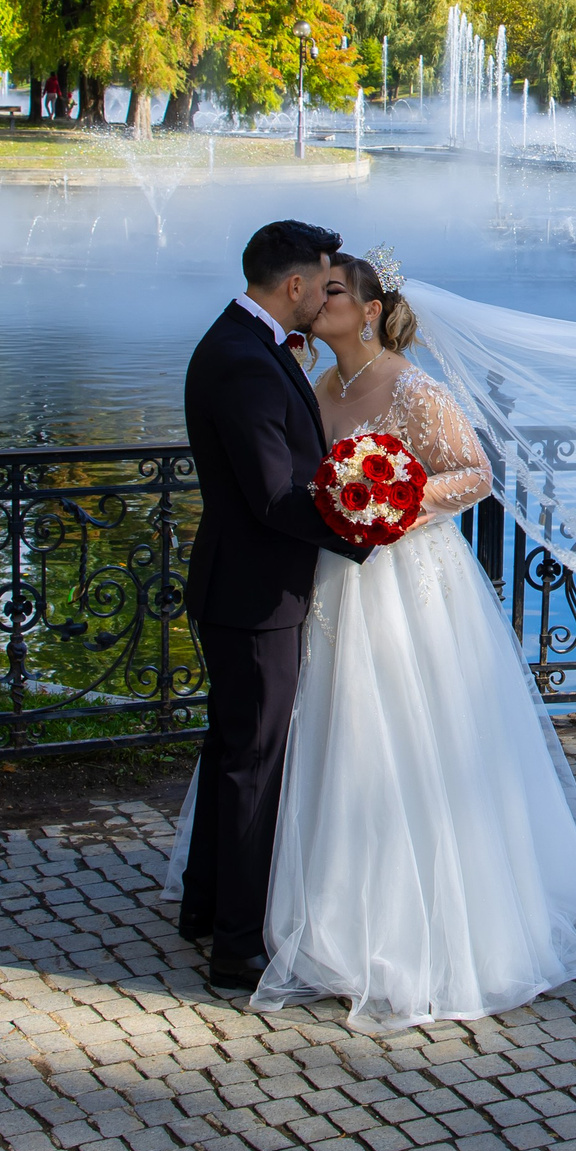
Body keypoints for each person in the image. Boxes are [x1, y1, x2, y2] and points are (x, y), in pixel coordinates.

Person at [242, 246, 576, 1032]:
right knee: (338, 735)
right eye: (320, 292)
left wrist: (395, 506)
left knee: (412, 738)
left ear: (372, 310)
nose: (322, 302)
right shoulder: (320, 387)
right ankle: (328, 914)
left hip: (408, 580)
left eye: (338, 292)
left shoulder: (414, 389)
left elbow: (474, 473)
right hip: (334, 580)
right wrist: (350, 511)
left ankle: (427, 926)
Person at [176, 220, 370, 992]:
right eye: (323, 284)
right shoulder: (246, 362)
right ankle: (236, 947)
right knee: (252, 765)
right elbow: (271, 495)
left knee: (230, 750)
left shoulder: (243, 344)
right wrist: (363, 530)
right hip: (256, 592)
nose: (327, 296)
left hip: (243, 585)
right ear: (293, 286)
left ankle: (206, 905)